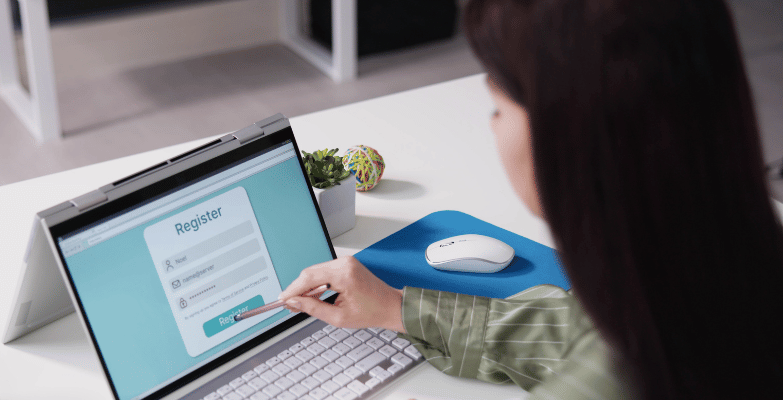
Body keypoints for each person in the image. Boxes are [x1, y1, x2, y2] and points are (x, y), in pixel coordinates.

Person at [278, 0, 783, 398]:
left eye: (498, 108)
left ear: (568, 138)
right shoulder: (712, 275)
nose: (492, 128)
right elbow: (575, 334)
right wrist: (399, 310)